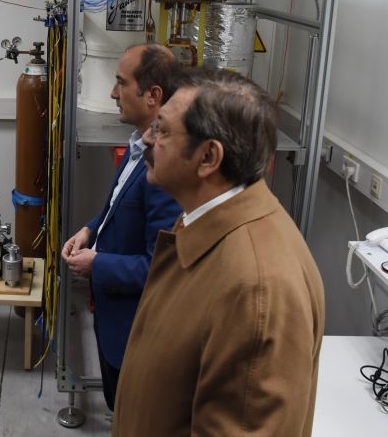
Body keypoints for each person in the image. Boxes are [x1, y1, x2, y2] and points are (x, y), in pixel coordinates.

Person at [113, 68, 325, 436]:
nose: (147, 138)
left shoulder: (257, 289)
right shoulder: (202, 219)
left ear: (208, 157)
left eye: (161, 130)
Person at [60, 43, 182, 410]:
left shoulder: (164, 172)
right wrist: (90, 230)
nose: (113, 93)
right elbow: (117, 207)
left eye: (121, 83)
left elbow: (161, 268)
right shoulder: (139, 146)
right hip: (112, 322)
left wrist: (97, 264)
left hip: (135, 334)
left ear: (152, 95)